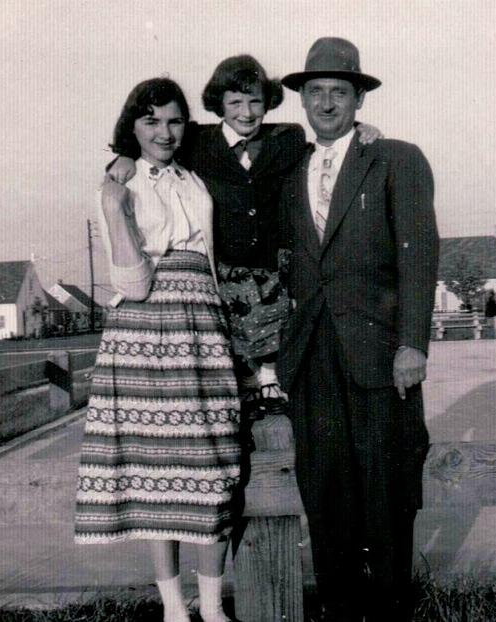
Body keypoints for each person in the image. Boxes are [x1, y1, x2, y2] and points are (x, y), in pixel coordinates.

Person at [108, 55, 380, 418]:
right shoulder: (196, 141)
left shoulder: (287, 137)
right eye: (235, 102)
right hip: (227, 265)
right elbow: (155, 144)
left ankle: (270, 384)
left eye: (255, 101)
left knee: (276, 334)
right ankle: (247, 391)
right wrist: (121, 157)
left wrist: (360, 129)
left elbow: (325, 147)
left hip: (273, 263)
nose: (247, 112)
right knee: (235, 339)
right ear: (218, 104)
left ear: (268, 103)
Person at [278, 38, 440, 621]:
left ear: (358, 99)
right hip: (310, 357)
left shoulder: (395, 157)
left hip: (379, 354)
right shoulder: (288, 164)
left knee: (386, 486)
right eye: (314, 92)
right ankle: (341, 609)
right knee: (324, 490)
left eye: (338, 92)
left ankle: (393, 606)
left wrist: (412, 343)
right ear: (300, 100)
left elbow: (419, 256)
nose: (325, 103)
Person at [74, 78, 239, 622]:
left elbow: (260, 128)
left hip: (201, 332)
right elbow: (134, 283)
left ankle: (212, 610)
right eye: (151, 122)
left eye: (174, 121)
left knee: (209, 474)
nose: (164, 133)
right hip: (144, 335)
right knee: (156, 479)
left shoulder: (195, 176)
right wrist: (112, 203)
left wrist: (364, 132)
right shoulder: (118, 186)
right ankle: (174, 611)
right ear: (133, 127)